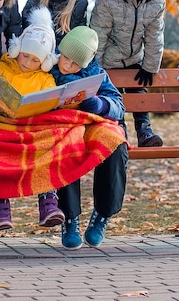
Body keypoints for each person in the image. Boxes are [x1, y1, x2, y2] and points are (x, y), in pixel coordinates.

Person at [0, 6, 65, 250]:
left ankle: (48, 202)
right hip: (5, 126)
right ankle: (1, 206)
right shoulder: (1, 68)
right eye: (25, 56)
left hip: (32, 128)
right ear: (17, 50)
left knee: (46, 148)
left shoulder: (45, 79)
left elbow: (51, 103)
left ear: (44, 62)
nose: (28, 63)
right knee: (0, 151)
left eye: (35, 60)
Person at [51, 26, 128, 249]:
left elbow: (118, 105)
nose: (67, 65)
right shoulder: (47, 67)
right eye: (65, 58)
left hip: (94, 124)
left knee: (115, 146)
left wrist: (101, 104)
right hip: (63, 126)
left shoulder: (96, 73)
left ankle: (103, 214)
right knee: (65, 146)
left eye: (75, 63)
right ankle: (70, 218)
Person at [90, 0, 165, 147]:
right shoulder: (107, 0)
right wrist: (96, 67)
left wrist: (150, 67)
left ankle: (145, 131)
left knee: (139, 91)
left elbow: (154, 37)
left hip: (135, 60)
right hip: (109, 61)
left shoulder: (156, 4)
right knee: (113, 95)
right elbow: (99, 34)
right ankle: (118, 128)